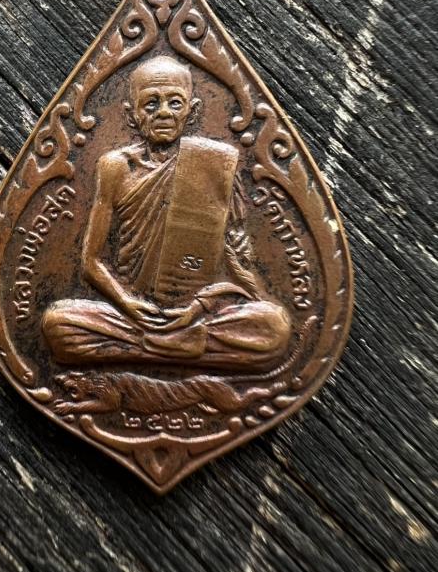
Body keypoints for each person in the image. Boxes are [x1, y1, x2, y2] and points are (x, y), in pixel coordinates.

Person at [43, 56, 291, 369]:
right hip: (131, 312)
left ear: (192, 111)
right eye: (151, 104)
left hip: (196, 313)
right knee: (57, 323)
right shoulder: (116, 167)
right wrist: (127, 303)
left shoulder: (213, 165)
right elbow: (90, 262)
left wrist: (200, 305)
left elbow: (237, 272)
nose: (163, 112)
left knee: (274, 326)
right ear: (131, 115)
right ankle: (182, 348)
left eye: (175, 103)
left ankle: (144, 348)